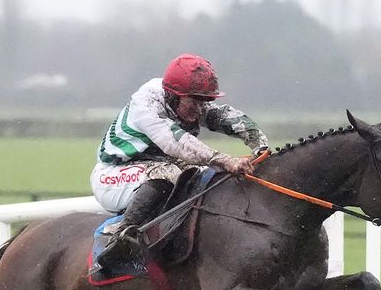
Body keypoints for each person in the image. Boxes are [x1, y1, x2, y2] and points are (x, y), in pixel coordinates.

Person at [90, 53, 269, 272]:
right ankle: (121, 237)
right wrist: (223, 160)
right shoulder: (145, 104)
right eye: (194, 102)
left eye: (205, 102)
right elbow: (175, 141)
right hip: (113, 174)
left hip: (157, 164)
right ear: (174, 96)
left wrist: (261, 146)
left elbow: (226, 117)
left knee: (203, 176)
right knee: (169, 173)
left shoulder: (187, 98)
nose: (200, 109)